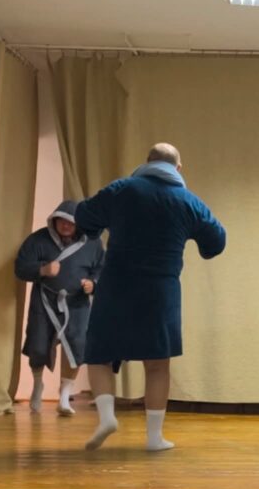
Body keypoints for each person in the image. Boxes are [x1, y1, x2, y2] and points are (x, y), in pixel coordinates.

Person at [76, 143, 226, 451]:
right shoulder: (189, 201)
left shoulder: (122, 189)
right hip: (161, 290)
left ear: (147, 162)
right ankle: (154, 437)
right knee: (157, 364)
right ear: (178, 168)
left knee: (99, 355)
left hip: (116, 285)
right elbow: (216, 242)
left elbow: (84, 216)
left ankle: (107, 417)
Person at [15, 201, 105, 415]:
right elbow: (20, 268)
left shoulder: (92, 242)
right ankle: (38, 384)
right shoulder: (38, 240)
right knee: (38, 345)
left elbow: (102, 269)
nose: (66, 226)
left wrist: (94, 284)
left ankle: (64, 395)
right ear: (54, 220)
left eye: (71, 222)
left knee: (77, 346)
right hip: (44, 301)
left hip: (77, 303)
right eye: (62, 221)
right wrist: (42, 269)